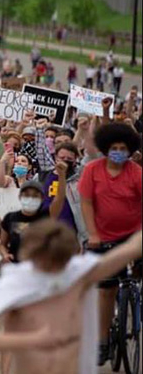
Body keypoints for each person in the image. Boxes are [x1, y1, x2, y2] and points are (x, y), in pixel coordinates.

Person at [0, 220, 142, 374]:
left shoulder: (77, 276)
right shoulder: (14, 286)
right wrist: (34, 339)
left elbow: (132, 248)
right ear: (32, 258)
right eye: (46, 266)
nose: (53, 273)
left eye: (60, 266)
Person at [78, 122, 142, 363]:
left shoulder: (136, 172)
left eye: (122, 147)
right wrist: (93, 235)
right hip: (103, 237)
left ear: (130, 150)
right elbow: (86, 203)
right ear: (106, 148)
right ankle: (102, 339)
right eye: (113, 147)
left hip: (134, 236)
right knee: (105, 291)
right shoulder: (93, 170)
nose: (118, 151)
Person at [0, 181, 51, 264]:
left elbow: (59, 199)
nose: (30, 199)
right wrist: (5, 255)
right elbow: (2, 245)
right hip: (15, 267)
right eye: (26, 195)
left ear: (42, 198)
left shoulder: (47, 218)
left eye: (35, 196)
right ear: (19, 197)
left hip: (40, 267)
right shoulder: (10, 217)